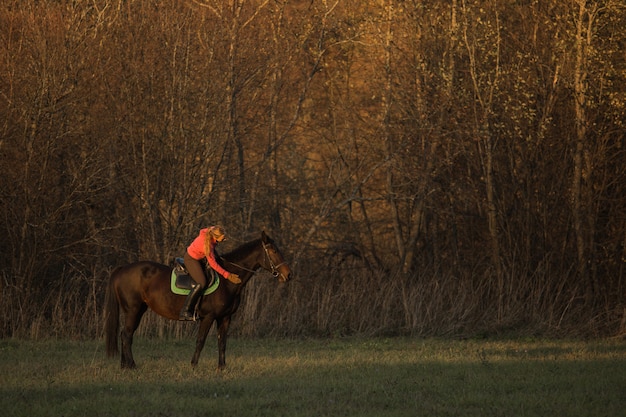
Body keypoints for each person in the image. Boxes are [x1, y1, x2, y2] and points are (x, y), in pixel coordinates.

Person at [179, 225, 241, 320]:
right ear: (215, 237)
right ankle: (185, 311)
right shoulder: (207, 245)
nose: (225, 239)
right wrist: (227, 275)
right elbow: (213, 264)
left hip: (200, 257)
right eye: (223, 238)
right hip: (191, 259)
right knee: (202, 283)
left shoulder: (211, 231)